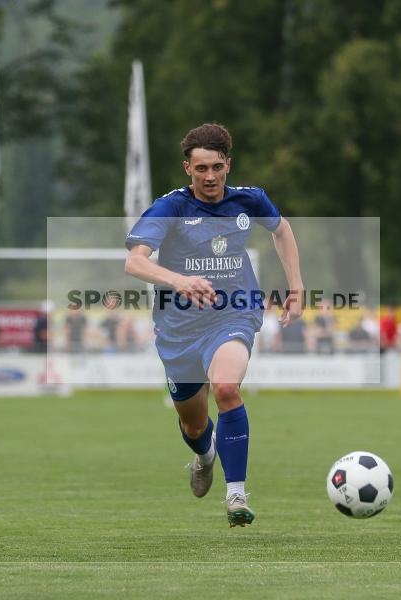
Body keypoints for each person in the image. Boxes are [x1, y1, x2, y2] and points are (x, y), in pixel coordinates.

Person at [124, 123, 303, 527]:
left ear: (228, 165)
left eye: (217, 167)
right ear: (188, 168)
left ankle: (236, 494)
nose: (209, 177)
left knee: (226, 387)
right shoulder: (169, 207)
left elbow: (283, 230)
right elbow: (134, 261)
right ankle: (204, 456)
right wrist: (179, 280)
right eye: (201, 168)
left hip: (234, 314)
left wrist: (296, 284)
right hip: (179, 331)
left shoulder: (249, 200)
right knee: (193, 422)